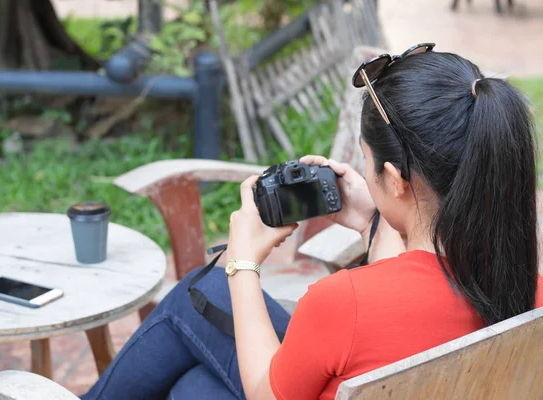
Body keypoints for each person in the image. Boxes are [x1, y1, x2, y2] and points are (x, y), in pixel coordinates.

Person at [81, 44, 543, 400]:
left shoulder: (343, 303)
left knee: (197, 295)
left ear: (395, 179)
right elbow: (410, 303)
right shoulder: (526, 286)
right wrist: (371, 222)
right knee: (192, 390)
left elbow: (266, 392)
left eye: (365, 160)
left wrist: (242, 259)